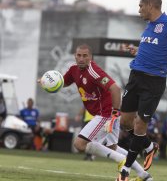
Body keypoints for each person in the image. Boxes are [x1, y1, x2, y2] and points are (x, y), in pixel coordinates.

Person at [40, 44, 153, 181]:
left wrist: (114, 114)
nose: (81, 59)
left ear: (90, 57)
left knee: (79, 144)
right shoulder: (73, 70)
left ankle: (121, 160)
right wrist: (46, 82)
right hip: (105, 113)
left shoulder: (94, 71)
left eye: (85, 56)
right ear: (75, 56)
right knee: (112, 147)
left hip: (106, 114)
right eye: (79, 55)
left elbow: (115, 89)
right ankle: (144, 176)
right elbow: (62, 82)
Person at [118, 0, 167, 180]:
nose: (139, 10)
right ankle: (149, 146)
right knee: (125, 121)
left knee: (140, 124)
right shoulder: (149, 25)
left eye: (140, 6)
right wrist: (138, 51)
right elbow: (155, 47)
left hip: (154, 82)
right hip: (135, 76)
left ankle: (126, 169)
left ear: (150, 6)